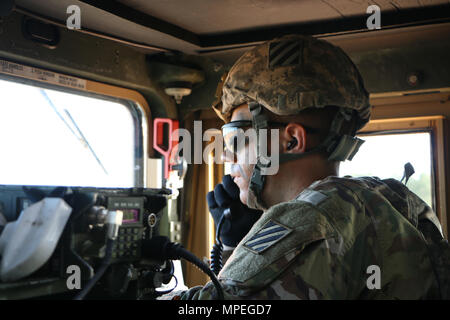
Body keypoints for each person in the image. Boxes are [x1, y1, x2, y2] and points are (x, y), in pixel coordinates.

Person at [172, 34, 448, 300]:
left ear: (292, 140)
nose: (226, 157)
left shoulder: (311, 220)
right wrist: (236, 246)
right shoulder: (391, 199)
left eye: (236, 139)